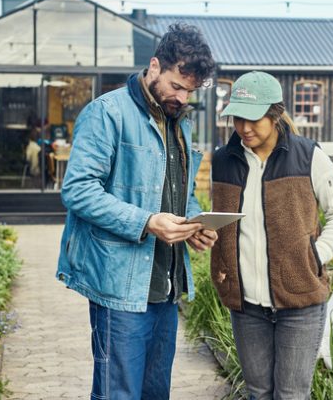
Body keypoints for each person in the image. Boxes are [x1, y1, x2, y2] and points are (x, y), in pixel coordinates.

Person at [56, 23, 218, 400]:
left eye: (190, 92)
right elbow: (77, 190)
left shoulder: (180, 124)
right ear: (155, 66)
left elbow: (182, 192)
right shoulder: (106, 114)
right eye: (176, 86)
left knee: (154, 392)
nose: (181, 97)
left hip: (167, 286)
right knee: (119, 393)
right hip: (120, 286)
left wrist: (194, 222)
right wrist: (146, 221)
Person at [210, 71, 333, 400]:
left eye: (253, 119)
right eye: (237, 119)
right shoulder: (222, 161)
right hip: (246, 305)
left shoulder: (308, 156)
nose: (243, 128)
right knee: (259, 392)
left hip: (299, 302)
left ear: (275, 114)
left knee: (290, 395)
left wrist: (316, 255)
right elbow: (223, 222)